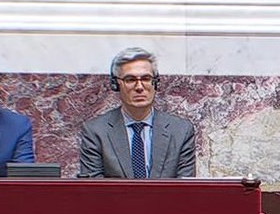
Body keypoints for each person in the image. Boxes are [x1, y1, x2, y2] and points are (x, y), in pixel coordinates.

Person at [78, 47, 196, 179]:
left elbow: (186, 190)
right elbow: (93, 190)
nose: (139, 87)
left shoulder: (181, 131)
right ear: (115, 84)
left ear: (155, 83)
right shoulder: (96, 131)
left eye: (146, 78)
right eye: (130, 80)